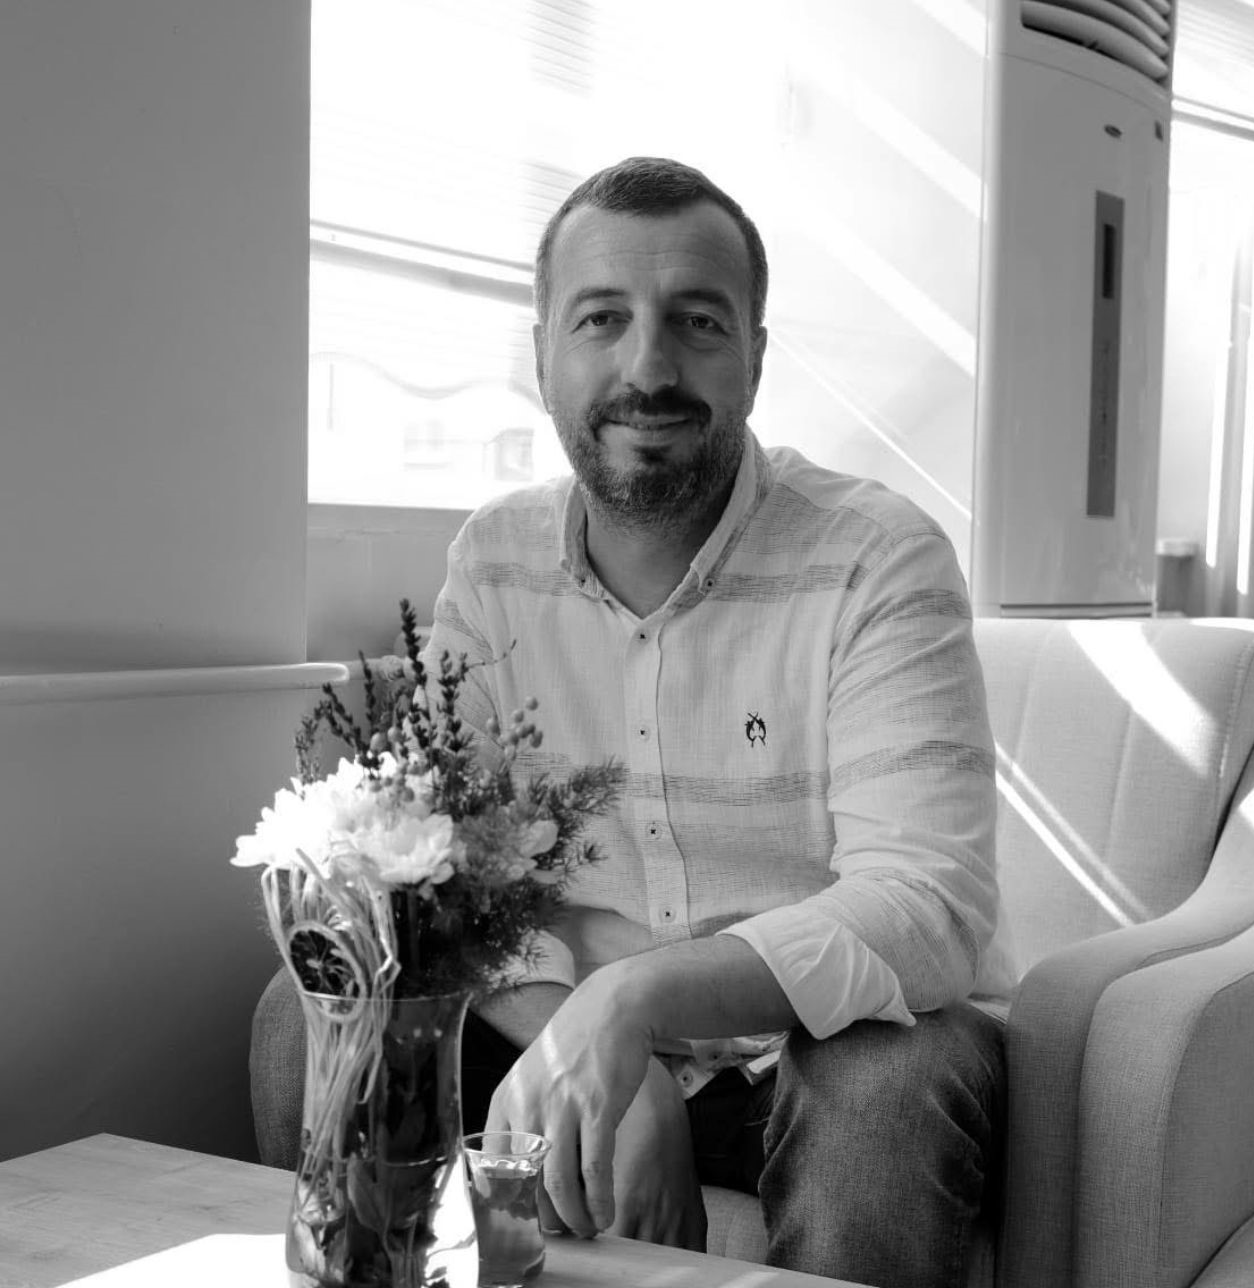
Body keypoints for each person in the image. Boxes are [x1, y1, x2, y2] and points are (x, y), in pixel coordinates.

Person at [428, 156, 1015, 1288]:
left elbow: (927, 901)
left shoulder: (877, 557)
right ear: (542, 351)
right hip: (568, 1034)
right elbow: (451, 878)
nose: (648, 368)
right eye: (602, 318)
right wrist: (603, 1046)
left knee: (884, 1089)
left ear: (754, 353)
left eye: (697, 322)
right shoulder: (492, 563)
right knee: (311, 1017)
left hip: (813, 1053)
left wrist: (635, 999)